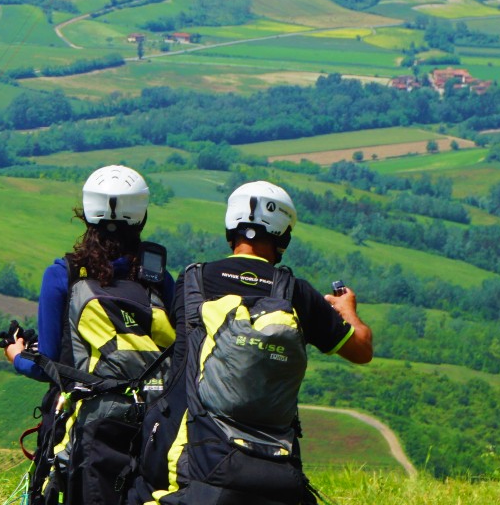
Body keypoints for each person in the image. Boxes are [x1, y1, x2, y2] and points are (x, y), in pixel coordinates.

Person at [129, 181, 373, 505]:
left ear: (232, 227)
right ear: (283, 236)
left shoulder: (193, 282)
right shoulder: (296, 293)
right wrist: (349, 313)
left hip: (195, 458)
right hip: (275, 468)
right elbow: (362, 350)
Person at [2, 164, 176, 505]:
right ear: (140, 218)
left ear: (86, 215)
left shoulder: (61, 275)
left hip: (88, 422)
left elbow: (46, 366)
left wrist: (17, 355)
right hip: (156, 419)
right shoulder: (159, 280)